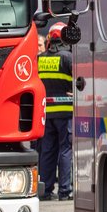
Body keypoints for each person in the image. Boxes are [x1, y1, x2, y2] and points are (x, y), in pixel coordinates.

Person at [37, 22, 74, 201]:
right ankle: (65, 191)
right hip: (66, 113)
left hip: (46, 114)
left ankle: (45, 190)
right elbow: (80, 83)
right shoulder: (68, 58)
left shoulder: (40, 59)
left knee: (47, 151)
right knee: (66, 150)